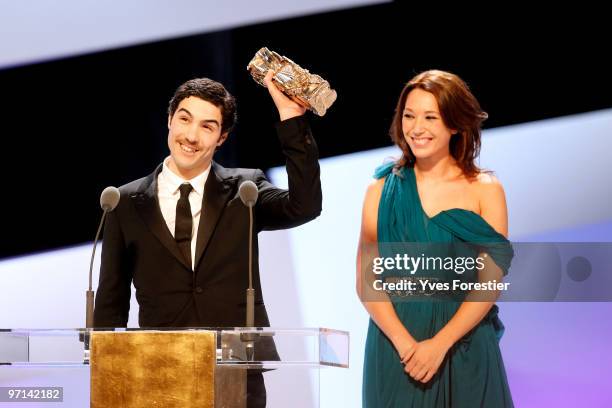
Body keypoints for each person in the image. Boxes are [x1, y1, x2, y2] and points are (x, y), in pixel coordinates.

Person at [93, 70, 322, 407]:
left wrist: (290, 118)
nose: (191, 135)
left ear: (222, 138)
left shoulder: (244, 191)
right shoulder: (123, 202)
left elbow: (304, 206)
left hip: (234, 372)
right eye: (184, 119)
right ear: (169, 120)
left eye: (207, 126)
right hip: (159, 369)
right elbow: (111, 301)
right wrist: (108, 380)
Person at [358, 70, 514, 407]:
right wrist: (406, 346)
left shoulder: (485, 189)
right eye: (409, 116)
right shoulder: (381, 190)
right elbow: (367, 280)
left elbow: (490, 283)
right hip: (397, 350)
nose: (416, 128)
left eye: (430, 117)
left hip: (465, 345)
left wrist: (440, 344)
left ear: (455, 124)